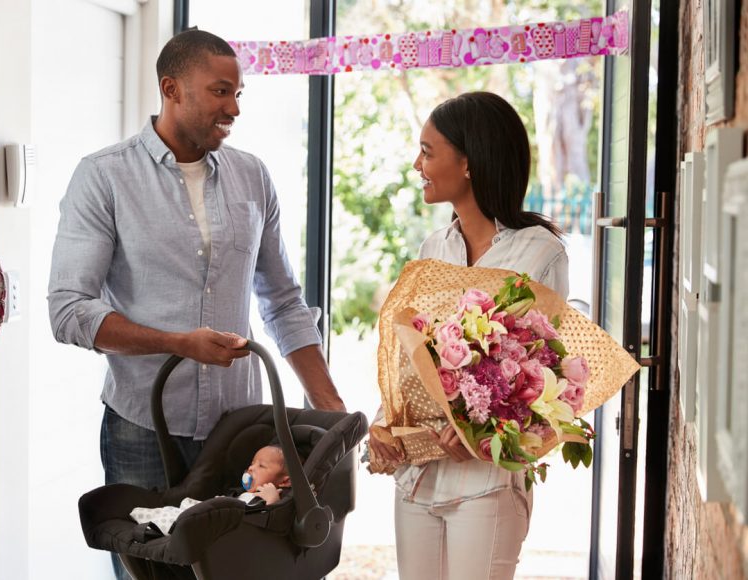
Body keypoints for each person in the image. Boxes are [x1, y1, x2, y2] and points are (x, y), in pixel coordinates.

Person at [47, 28, 345, 579]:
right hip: (141, 429)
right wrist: (176, 344)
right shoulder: (104, 177)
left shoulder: (253, 177)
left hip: (240, 435)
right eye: (220, 91)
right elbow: (68, 309)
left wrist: (331, 410)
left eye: (238, 94)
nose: (234, 108)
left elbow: (282, 300)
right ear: (171, 89)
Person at [368, 91, 569, 580]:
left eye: (428, 151)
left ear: (469, 162)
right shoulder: (432, 247)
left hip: (487, 480)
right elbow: (407, 354)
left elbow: (545, 378)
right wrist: (384, 423)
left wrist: (476, 431)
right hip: (418, 473)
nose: (418, 164)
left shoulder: (540, 254)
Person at [129, 445, 293, 535]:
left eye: (261, 465)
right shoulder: (243, 494)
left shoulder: (270, 496)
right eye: (252, 463)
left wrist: (272, 501)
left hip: (226, 527)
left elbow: (271, 521)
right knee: (177, 509)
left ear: (285, 481)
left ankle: (169, 526)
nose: (251, 468)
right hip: (213, 513)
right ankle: (152, 520)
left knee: (187, 517)